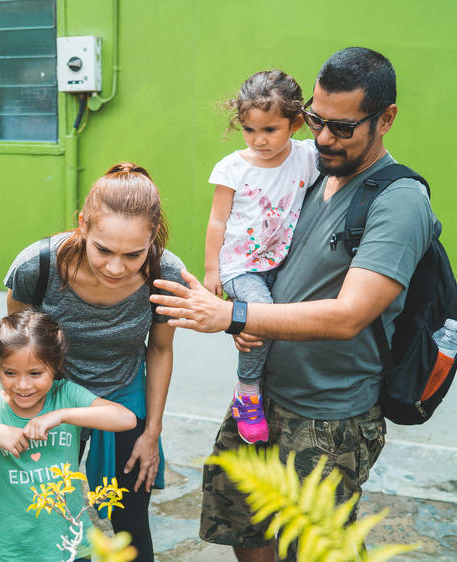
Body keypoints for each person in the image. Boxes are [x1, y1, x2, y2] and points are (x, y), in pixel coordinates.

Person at [151, 48, 434, 561]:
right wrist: (238, 301)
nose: (323, 137)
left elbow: (351, 314)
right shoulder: (311, 174)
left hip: (330, 416)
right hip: (262, 400)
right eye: (316, 120)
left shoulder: (399, 200)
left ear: (386, 119)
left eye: (342, 127)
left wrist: (237, 315)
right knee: (244, 525)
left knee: (317, 548)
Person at [3, 162, 186, 561]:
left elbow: (159, 349)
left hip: (126, 394)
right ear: (83, 225)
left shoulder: (166, 274)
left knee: (131, 520)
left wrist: (151, 432)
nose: (116, 268)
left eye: (133, 254)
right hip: (54, 398)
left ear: (152, 237)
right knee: (52, 515)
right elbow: (15, 347)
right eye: (103, 249)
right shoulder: (37, 268)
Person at [0, 310, 136, 562]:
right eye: (10, 373)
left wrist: (61, 416)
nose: (22, 385)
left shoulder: (66, 395)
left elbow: (125, 419)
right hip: (12, 552)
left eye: (35, 374)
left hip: (73, 546)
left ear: (56, 366)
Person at [203, 70, 319, 444]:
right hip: (241, 267)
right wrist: (211, 271)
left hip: (283, 265)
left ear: (296, 123)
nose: (259, 140)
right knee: (262, 316)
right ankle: (247, 391)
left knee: (265, 323)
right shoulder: (232, 167)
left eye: (270, 130)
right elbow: (217, 221)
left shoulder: (307, 156)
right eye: (250, 130)